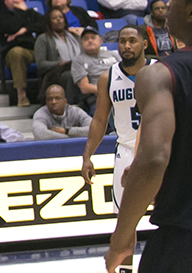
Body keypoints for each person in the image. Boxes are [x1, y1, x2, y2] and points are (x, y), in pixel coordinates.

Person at [105, 0, 192, 272]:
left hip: (184, 239)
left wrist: (121, 238)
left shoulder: (160, 73)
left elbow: (155, 157)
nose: (167, 3)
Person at [76, 26, 145, 267]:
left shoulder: (159, 70)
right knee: (126, 223)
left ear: (144, 44)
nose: (126, 45)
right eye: (122, 41)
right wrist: (87, 156)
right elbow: (99, 120)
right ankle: (126, 269)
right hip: (126, 150)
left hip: (158, 150)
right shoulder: (108, 77)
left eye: (132, 41)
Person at [0, 0, 45, 106]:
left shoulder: (30, 13)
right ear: (5, 0)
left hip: (34, 50)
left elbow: (45, 25)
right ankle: (21, 95)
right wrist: (22, 13)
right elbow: (12, 26)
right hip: (13, 52)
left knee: (51, 48)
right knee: (17, 53)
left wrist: (25, 29)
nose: (15, 0)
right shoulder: (1, 17)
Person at [72, 28, 122, 113]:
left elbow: (125, 74)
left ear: (100, 40)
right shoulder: (78, 60)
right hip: (98, 99)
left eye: (93, 37)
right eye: (86, 39)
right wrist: (108, 91)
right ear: (81, 43)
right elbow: (84, 87)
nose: (90, 41)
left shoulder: (113, 55)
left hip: (119, 93)